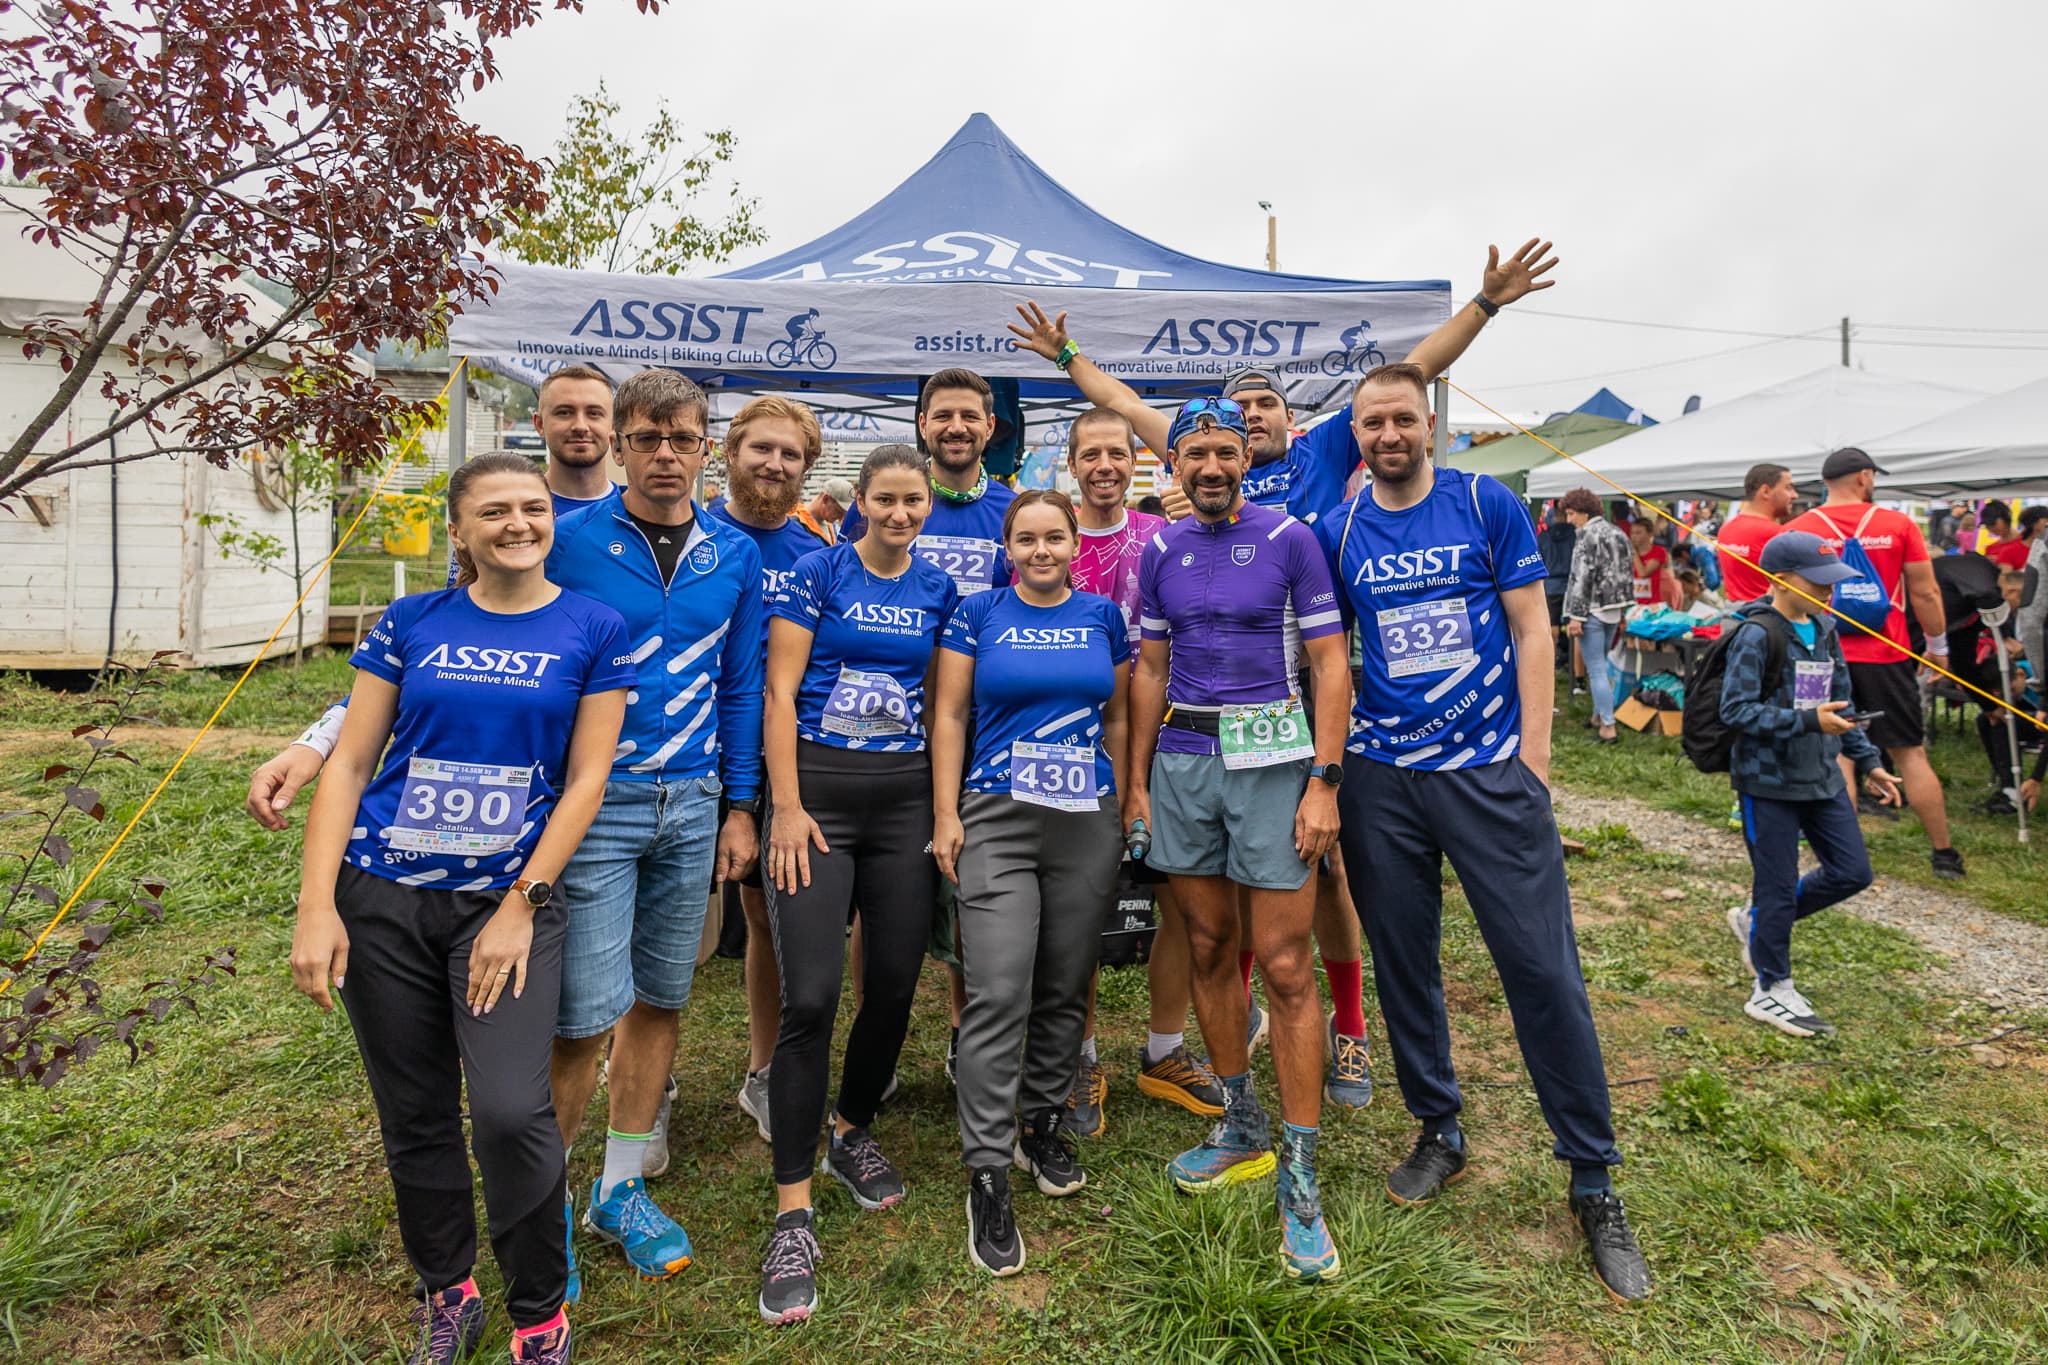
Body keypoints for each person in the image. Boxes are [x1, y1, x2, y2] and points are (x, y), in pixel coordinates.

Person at [290, 453, 635, 1365]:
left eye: (532, 507)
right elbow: (351, 764)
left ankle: (541, 1314)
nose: (518, 523)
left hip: (505, 904)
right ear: (459, 531)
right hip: (385, 897)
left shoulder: (594, 626)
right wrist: (317, 905)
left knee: (512, 1111)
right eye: (495, 511)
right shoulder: (411, 621)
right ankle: (449, 1290)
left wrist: (522, 905)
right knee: (415, 1111)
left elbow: (587, 780)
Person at [1318, 363, 1651, 1303]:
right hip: (1383, 777)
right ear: (1357, 436)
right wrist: (1333, 777)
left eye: (1401, 418)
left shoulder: (1483, 502)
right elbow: (1330, 656)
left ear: (1427, 423)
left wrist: (1533, 761)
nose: (1388, 434)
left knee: (1541, 967)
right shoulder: (1338, 528)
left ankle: (1593, 1178)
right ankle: (1439, 1128)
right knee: (1404, 963)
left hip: (1489, 771)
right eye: (1371, 423)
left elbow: (1533, 629)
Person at [539, 370, 766, 1290]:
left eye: (683, 439)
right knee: (582, 1015)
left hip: (695, 798)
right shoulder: (567, 540)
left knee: (662, 997)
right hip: (598, 800)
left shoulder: (733, 553)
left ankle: (620, 1187)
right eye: (646, 438)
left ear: (707, 446)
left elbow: (742, 683)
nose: (665, 454)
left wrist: (741, 804)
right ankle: (543, 1203)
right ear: (620, 444)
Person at [1123, 397, 1352, 1282]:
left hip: (1275, 761)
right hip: (1185, 759)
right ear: (1173, 464)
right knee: (1211, 945)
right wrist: (1137, 782)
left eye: (1225, 451)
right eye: (1196, 454)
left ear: (1246, 458)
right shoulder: (1159, 549)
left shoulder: (1293, 538)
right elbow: (1150, 667)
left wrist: (1325, 780)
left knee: (1285, 964)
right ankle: (1241, 1121)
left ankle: (1301, 1174)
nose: (1211, 466)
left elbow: (1329, 662)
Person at [757, 444, 961, 1326]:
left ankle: (849, 1128)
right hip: (820, 791)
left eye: (914, 501)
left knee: (895, 984)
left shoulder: (939, 589)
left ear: (927, 506)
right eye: (886, 499)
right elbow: (779, 690)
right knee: (810, 995)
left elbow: (946, 705)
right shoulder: (819, 571)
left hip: (904, 795)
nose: (900, 513)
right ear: (859, 503)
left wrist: (944, 811)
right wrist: (786, 806)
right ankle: (792, 1211)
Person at [245, 364, 619, 828]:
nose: (580, 425)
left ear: (614, 426)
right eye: (564, 412)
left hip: (615, 774)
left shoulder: (640, 521)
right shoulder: (490, 517)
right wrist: (316, 741)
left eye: (594, 412)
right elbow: (434, 647)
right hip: (502, 773)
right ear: (539, 423)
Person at [1008, 237, 1559, 526]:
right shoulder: (1205, 452)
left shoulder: (1321, 449)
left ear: (1290, 416)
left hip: (1315, 640)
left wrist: (1485, 303)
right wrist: (1067, 355)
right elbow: (1125, 404)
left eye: (1266, 403)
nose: (1252, 413)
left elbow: (1414, 372)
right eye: (1241, 405)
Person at [930, 489, 1130, 1276]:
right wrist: (946, 812)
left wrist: (1128, 797)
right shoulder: (977, 613)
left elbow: (1118, 717)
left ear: (1075, 543)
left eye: (1054, 537)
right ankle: (987, 1167)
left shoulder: (1103, 616)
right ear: (1007, 547)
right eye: (1026, 539)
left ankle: (1041, 1121)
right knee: (999, 986)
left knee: (1065, 979)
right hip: (997, 813)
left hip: (1085, 816)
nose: (1041, 550)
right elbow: (949, 715)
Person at [836, 368, 1017, 1076]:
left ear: (990, 427)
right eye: (943, 415)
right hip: (887, 725)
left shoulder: (1011, 509)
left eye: (970, 416)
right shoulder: (890, 500)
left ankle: (963, 1031)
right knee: (880, 891)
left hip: (982, 722)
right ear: (922, 423)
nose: (956, 428)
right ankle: (871, 1041)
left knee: (971, 879)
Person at [1058, 408, 1223, 1135]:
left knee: (1181, 896)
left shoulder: (1166, 535)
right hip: (1074, 744)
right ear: (1071, 464)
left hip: (1169, 739)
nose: (1105, 466)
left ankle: (1164, 1048)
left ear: (1138, 463)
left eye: (1117, 454)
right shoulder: (1049, 536)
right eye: (1090, 454)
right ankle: (1080, 1056)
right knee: (1079, 905)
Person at [704, 396, 833, 1141]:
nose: (775, 464)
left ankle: (764, 1070)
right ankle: (646, 1080)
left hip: (781, 756)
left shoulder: (818, 549)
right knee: (667, 929)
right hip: (692, 753)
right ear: (730, 451)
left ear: (807, 467)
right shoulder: (695, 534)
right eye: (762, 449)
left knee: (766, 918)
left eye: (791, 454)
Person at [1720, 532, 1903, 1037]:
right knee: (1777, 888)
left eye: (1832, 581)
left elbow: (1841, 705)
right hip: (1768, 783)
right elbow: (1735, 710)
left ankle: (1758, 922)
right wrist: (1807, 722)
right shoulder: (1757, 634)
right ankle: (1771, 988)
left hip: (1822, 777)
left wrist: (1869, 763)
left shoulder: (1824, 627)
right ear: (1780, 581)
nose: (1828, 591)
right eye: (1817, 582)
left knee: (1852, 872)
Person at [1786, 448, 1962, 878]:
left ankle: (1842, 856)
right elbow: (1925, 592)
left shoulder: (1798, 529)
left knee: (1833, 754)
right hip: (1887, 654)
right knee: (1910, 753)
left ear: (1825, 482)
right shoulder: (1897, 525)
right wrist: (1938, 647)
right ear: (1864, 477)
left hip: (1820, 655)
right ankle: (1944, 855)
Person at [1559, 488, 1632, 744]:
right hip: (1613, 609)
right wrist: (1624, 610)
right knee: (1602, 666)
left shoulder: (1587, 535)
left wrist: (1575, 616)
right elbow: (1626, 574)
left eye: (1571, 513)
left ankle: (1608, 727)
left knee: (1597, 670)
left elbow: (1581, 578)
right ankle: (1598, 716)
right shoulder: (1619, 533)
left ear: (1584, 512)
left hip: (1591, 610)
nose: (1569, 520)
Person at [1714, 463, 1795, 604]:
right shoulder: (1778, 534)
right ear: (1765, 491)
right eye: (1788, 488)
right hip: (1767, 613)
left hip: (1736, 612)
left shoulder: (1725, 529)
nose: (1794, 495)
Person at [1628, 518, 1679, 610]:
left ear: (1650, 534)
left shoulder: (1658, 551)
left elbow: (1643, 574)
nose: (1634, 536)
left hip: (1655, 603)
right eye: (1632, 533)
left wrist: (1633, 552)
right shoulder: (1628, 554)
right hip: (1635, 603)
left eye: (1638, 533)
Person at [1982, 500, 2031, 572]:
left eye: (1993, 523)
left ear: (2005, 517)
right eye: (1987, 525)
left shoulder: (2027, 543)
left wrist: (2005, 561)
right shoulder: (1990, 549)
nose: (1991, 528)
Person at [804, 476, 855, 545]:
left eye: (844, 514)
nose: (840, 518)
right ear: (825, 499)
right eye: (839, 512)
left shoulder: (832, 527)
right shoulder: (797, 525)